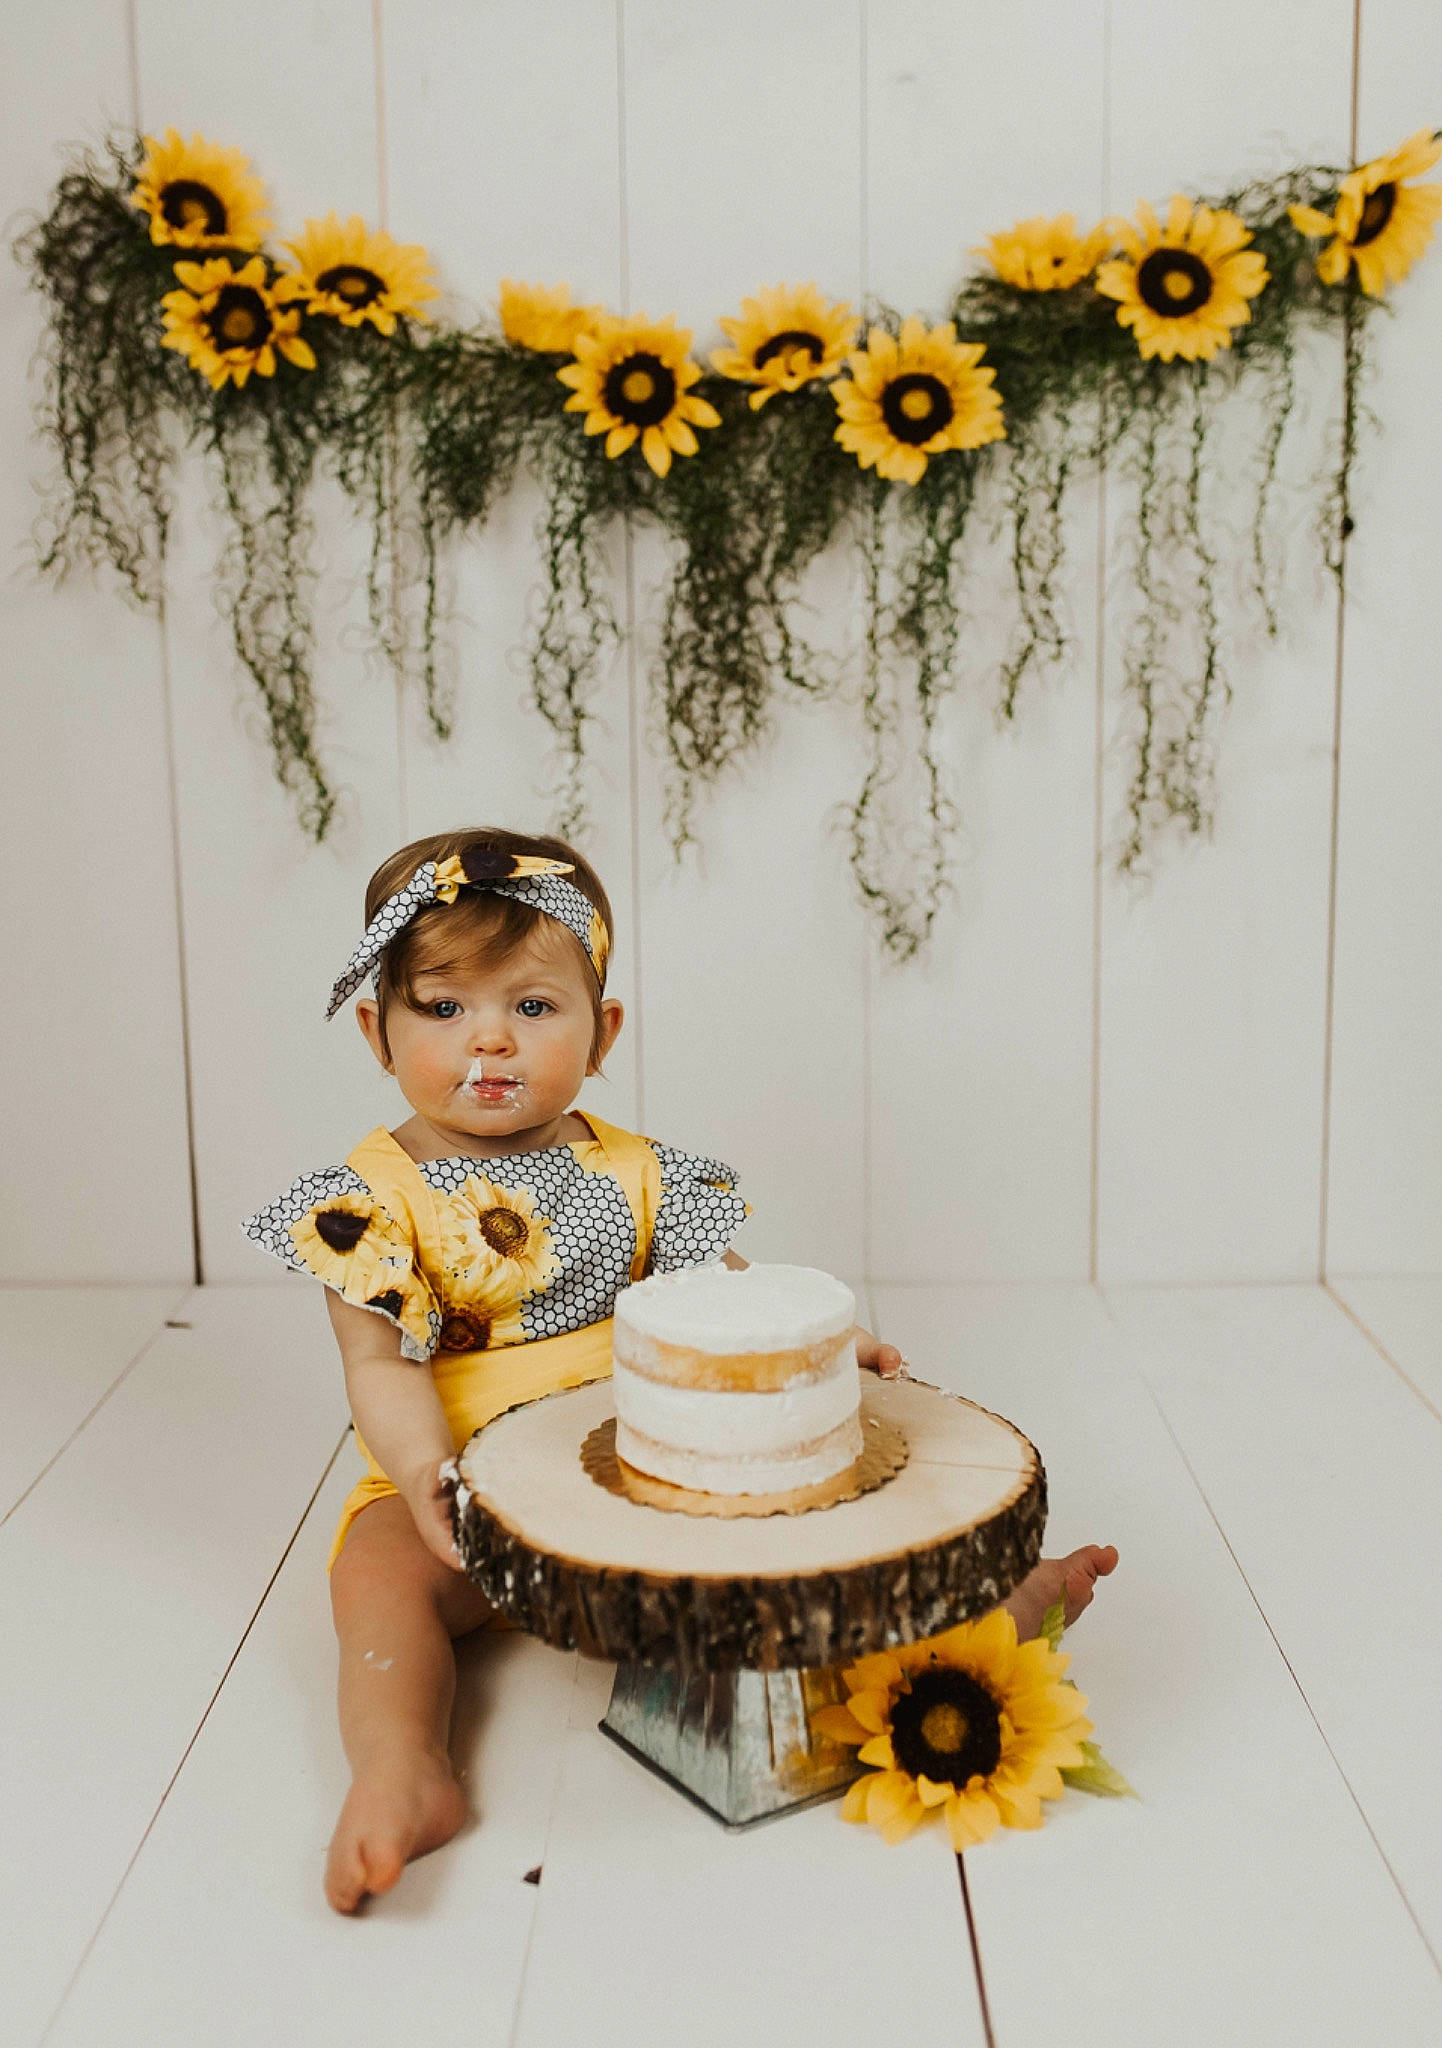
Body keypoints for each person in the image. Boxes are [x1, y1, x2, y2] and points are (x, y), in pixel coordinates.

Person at [243, 824, 1116, 1914]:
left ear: (600, 1030)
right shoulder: (367, 1199)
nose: (490, 1041)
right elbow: (375, 1364)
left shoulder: (639, 1173)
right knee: (374, 1577)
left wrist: (822, 1340)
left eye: (530, 1005)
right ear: (377, 1030)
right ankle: (401, 1763)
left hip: (643, 1469)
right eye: (443, 1006)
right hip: (461, 1484)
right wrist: (424, 1474)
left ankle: (974, 1621)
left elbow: (730, 1288)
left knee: (799, 1551)